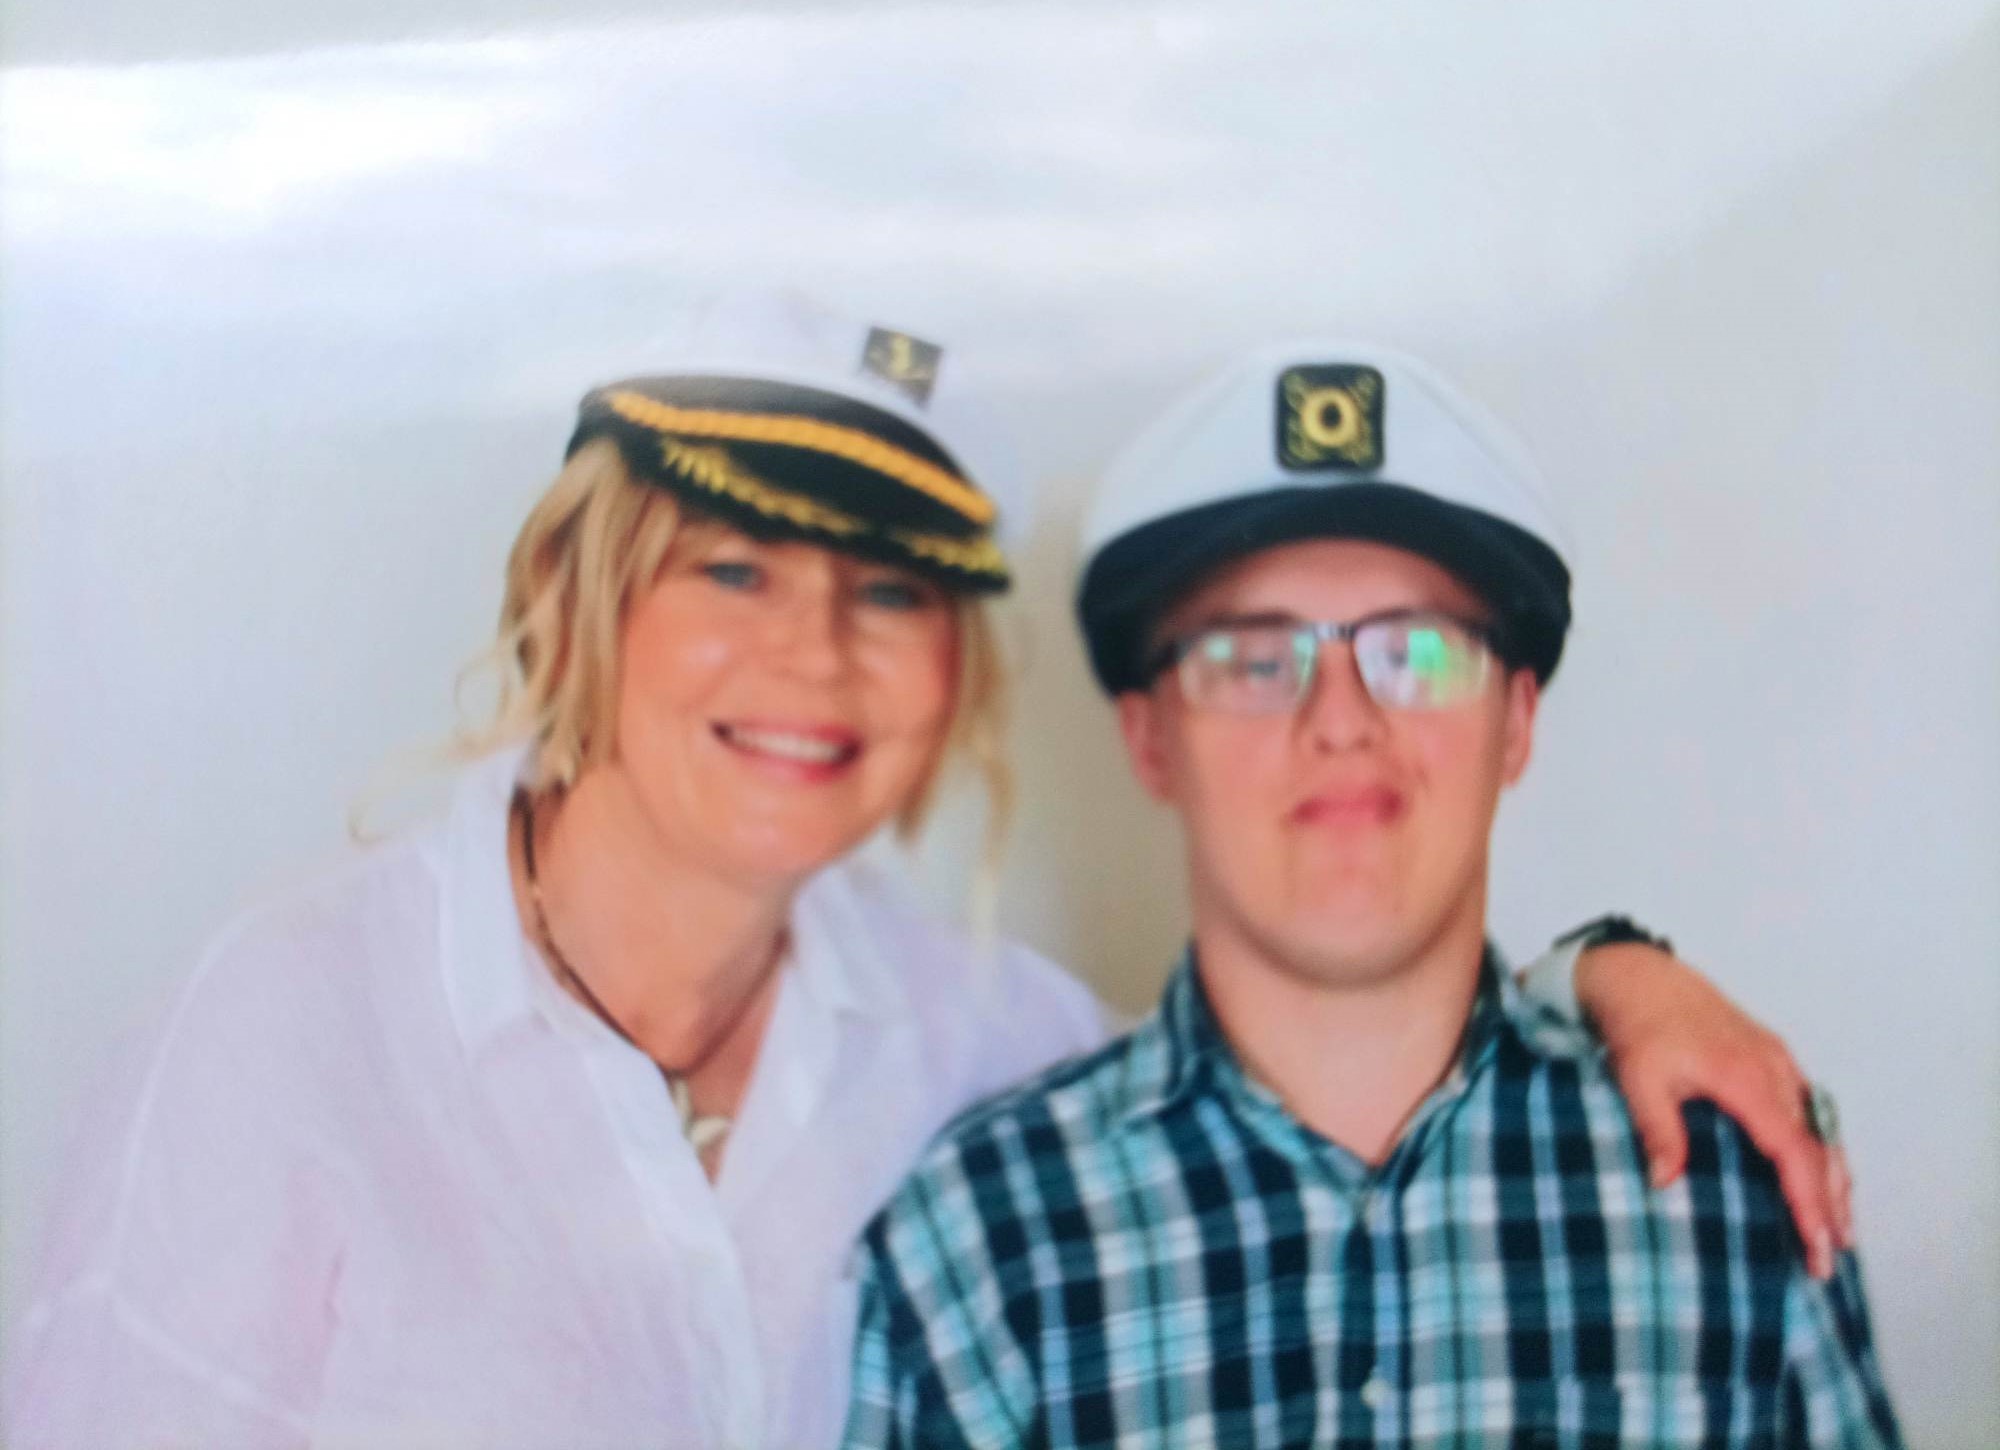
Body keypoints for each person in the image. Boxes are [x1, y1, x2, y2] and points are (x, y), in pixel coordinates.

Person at [4, 299, 1844, 1449]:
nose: (815, 653)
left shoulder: (986, 1045)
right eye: (733, 566)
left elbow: (1314, 1065)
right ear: (581, 594)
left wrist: (1603, 974)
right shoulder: (286, 1034)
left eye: (889, 591)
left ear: (954, 674)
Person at [842, 341, 1900, 1448]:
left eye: (1418, 651)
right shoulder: (973, 1245)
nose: (1340, 719)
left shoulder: (1730, 1187)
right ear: (1150, 740)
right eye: (1256, 658)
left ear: (1516, 723)